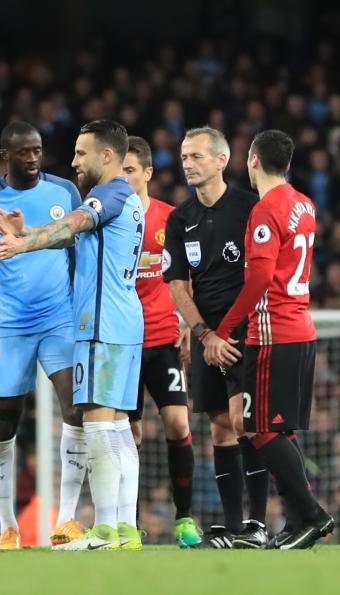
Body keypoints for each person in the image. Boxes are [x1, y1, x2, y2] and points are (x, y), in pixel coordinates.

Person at [0, 120, 145, 551]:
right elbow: (68, 238)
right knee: (118, 428)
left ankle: (106, 529)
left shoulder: (107, 193)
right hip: (127, 322)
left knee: (95, 424)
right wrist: (28, 236)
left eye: (81, 153)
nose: (73, 161)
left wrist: (21, 244)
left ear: (106, 156)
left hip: (102, 324)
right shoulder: (126, 199)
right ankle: (126, 529)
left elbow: (72, 224)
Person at [205, 129, 334, 549]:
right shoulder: (305, 205)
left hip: (272, 332)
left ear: (253, 161)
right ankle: (300, 522)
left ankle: (313, 515)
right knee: (283, 431)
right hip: (301, 329)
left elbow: (260, 276)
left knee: (256, 428)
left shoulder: (266, 209)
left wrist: (224, 330)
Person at [0, 121, 85, 550]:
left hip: (59, 318)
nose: (33, 159)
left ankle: (67, 520)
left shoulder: (64, 192)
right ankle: (9, 526)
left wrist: (78, 309)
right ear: (5, 155)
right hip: (9, 326)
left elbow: (78, 252)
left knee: (76, 410)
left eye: (37, 151)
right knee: (2, 421)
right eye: (24, 153)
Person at [162, 127, 269, 548]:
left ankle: (257, 523)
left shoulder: (249, 207)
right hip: (207, 336)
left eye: (196, 156)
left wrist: (225, 333)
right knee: (220, 430)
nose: (187, 163)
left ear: (222, 161)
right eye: (184, 156)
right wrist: (203, 333)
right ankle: (232, 525)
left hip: (246, 332)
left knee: (248, 424)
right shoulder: (180, 218)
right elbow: (176, 284)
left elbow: (262, 273)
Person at [120, 136, 200, 547]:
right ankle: (129, 525)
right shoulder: (109, 221)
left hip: (163, 338)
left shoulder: (172, 219)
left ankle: (184, 519)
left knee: (177, 421)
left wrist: (190, 323)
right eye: (118, 171)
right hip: (122, 343)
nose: (123, 178)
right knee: (128, 435)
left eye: (130, 170)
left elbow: (189, 276)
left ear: (148, 173)